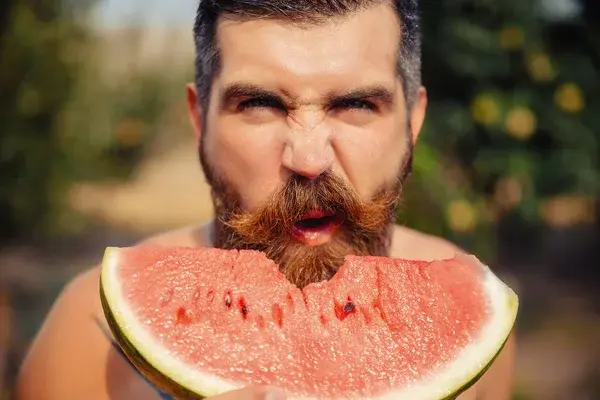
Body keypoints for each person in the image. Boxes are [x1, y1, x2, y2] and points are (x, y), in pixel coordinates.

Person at [15, 0, 516, 399]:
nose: (309, 157)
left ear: (412, 122)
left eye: (357, 104)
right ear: (199, 121)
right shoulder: (90, 339)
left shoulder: (475, 325)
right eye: (258, 104)